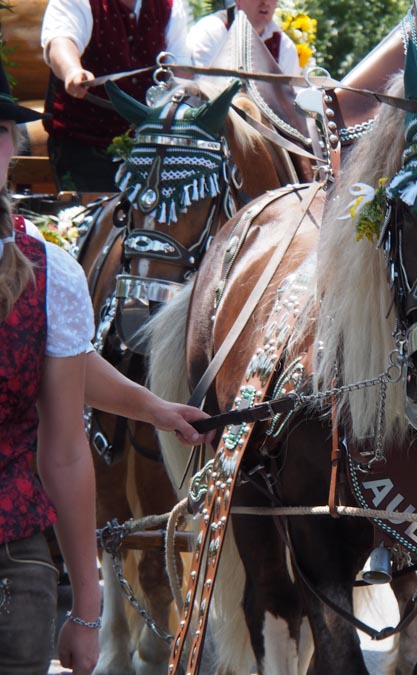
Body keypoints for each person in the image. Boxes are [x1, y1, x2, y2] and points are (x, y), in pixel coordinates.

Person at [0, 63, 208, 675]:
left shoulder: (47, 274)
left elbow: (64, 444)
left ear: (12, 146)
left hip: (10, 564)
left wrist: (88, 610)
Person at [40, 0, 191, 194]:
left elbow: (181, 72)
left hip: (149, 148)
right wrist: (72, 71)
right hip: (82, 146)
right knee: (87, 219)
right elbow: (61, 41)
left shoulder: (169, 6)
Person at [188, 0, 302, 77]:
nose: (265, 2)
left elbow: (292, 103)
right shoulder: (211, 31)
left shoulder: (284, 47)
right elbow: (203, 90)